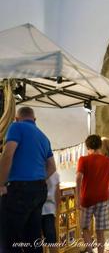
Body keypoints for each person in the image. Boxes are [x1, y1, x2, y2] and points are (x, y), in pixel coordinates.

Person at [0, 106, 56, 253]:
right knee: (33, 239)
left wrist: (0, 183)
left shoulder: (16, 127)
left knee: (10, 238)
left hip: (18, 189)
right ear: (35, 120)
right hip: (39, 190)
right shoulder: (44, 137)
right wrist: (38, 178)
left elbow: (7, 155)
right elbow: (52, 167)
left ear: (16, 118)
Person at [76, 135, 109, 253]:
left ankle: (89, 250)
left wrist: (78, 197)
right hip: (103, 199)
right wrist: (108, 187)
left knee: (84, 227)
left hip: (87, 199)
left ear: (88, 147)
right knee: (100, 231)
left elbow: (79, 177)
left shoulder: (83, 160)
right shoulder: (108, 161)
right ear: (100, 146)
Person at [42, 170, 60, 253]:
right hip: (50, 210)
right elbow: (57, 195)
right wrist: (57, 211)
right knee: (52, 240)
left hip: (35, 210)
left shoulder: (35, 171)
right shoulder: (54, 173)